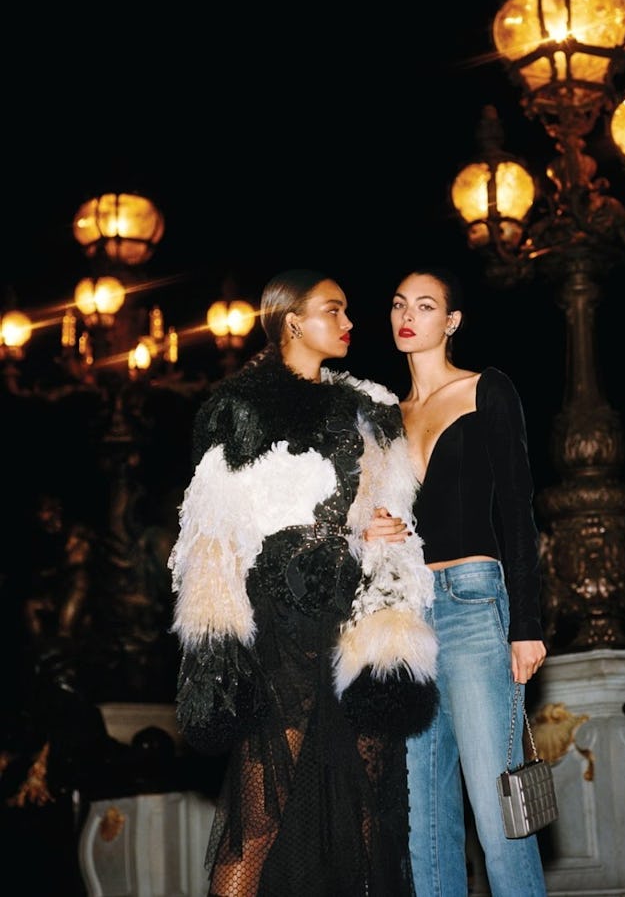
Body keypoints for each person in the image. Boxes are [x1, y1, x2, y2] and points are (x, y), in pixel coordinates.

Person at [169, 268, 439, 897]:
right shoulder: (240, 409)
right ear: (292, 320)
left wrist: (375, 529)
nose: (349, 324)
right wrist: (217, 649)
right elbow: (212, 532)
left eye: (347, 312)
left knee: (371, 812)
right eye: (334, 311)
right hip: (282, 626)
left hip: (354, 623)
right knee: (260, 815)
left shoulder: (367, 407)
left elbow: (379, 500)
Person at [390, 266, 548, 897]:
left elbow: (518, 507)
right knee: (421, 821)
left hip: (476, 600)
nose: (408, 315)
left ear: (450, 322)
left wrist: (527, 626)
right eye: (400, 304)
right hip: (406, 612)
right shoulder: (383, 415)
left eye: (425, 305)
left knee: (498, 810)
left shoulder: (488, 389)